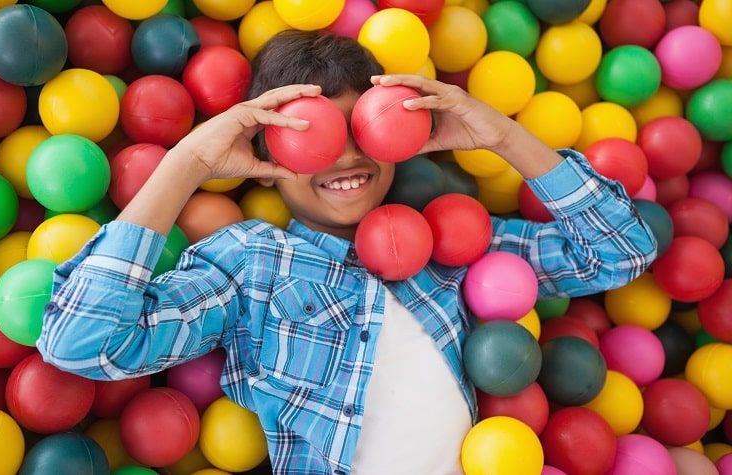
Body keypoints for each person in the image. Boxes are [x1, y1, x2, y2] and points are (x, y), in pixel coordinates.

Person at [37, 30, 657, 474]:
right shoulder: (253, 261)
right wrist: (189, 163)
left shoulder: (450, 240)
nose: (345, 158)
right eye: (313, 139)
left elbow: (619, 254)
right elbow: (83, 342)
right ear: (271, 155)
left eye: (361, 129)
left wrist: (503, 136)